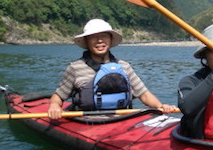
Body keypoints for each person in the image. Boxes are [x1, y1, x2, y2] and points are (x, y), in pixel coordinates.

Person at [48, 19, 177, 119]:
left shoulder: (124, 67)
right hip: (88, 122)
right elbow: (58, 96)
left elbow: (144, 94)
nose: (99, 40)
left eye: (104, 36)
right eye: (93, 37)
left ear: (110, 39)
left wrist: (160, 106)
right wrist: (54, 106)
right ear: (87, 41)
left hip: (121, 121)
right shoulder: (76, 68)